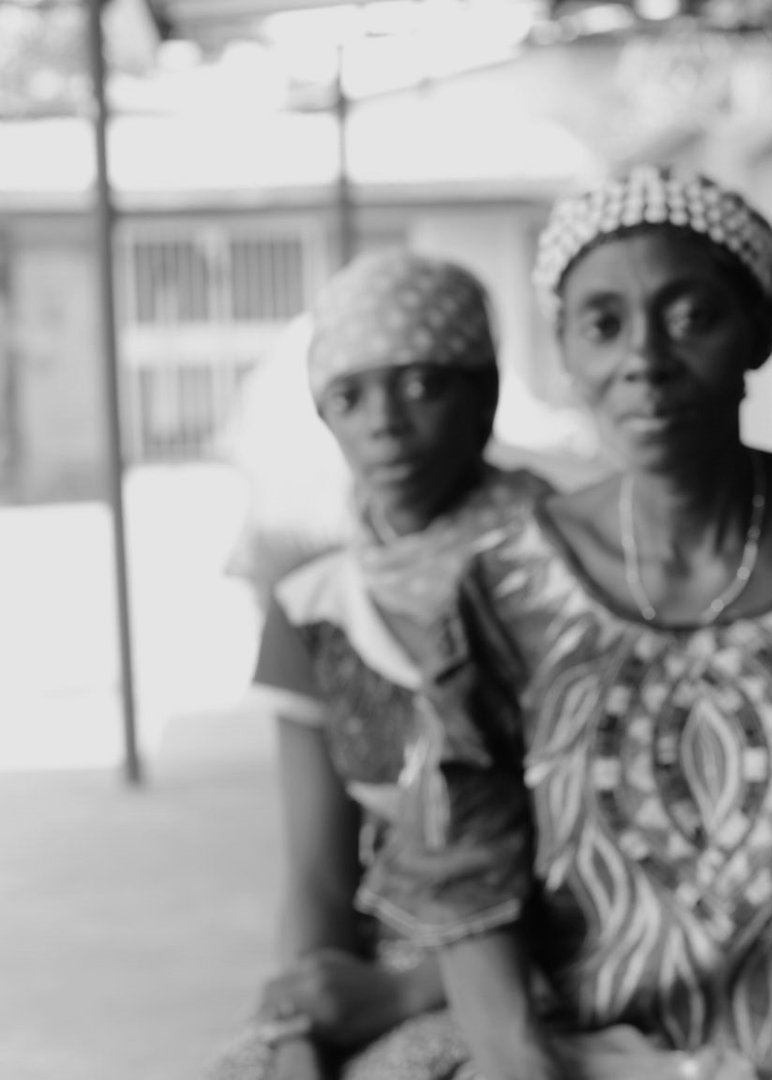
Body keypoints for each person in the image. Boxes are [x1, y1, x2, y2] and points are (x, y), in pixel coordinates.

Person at [361, 166, 772, 1080]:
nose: (645, 359)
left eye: (690, 316)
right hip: (594, 1050)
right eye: (603, 324)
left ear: (758, 328)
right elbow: (467, 866)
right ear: (565, 349)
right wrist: (522, 1063)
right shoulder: (504, 586)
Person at [213, 250, 551, 1080]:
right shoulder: (313, 612)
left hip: (556, 961)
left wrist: (403, 995)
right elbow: (316, 878)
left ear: (485, 395)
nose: (384, 422)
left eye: (422, 384)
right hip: (381, 957)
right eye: (349, 395)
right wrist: (302, 1025)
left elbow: (613, 851)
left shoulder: (569, 568)